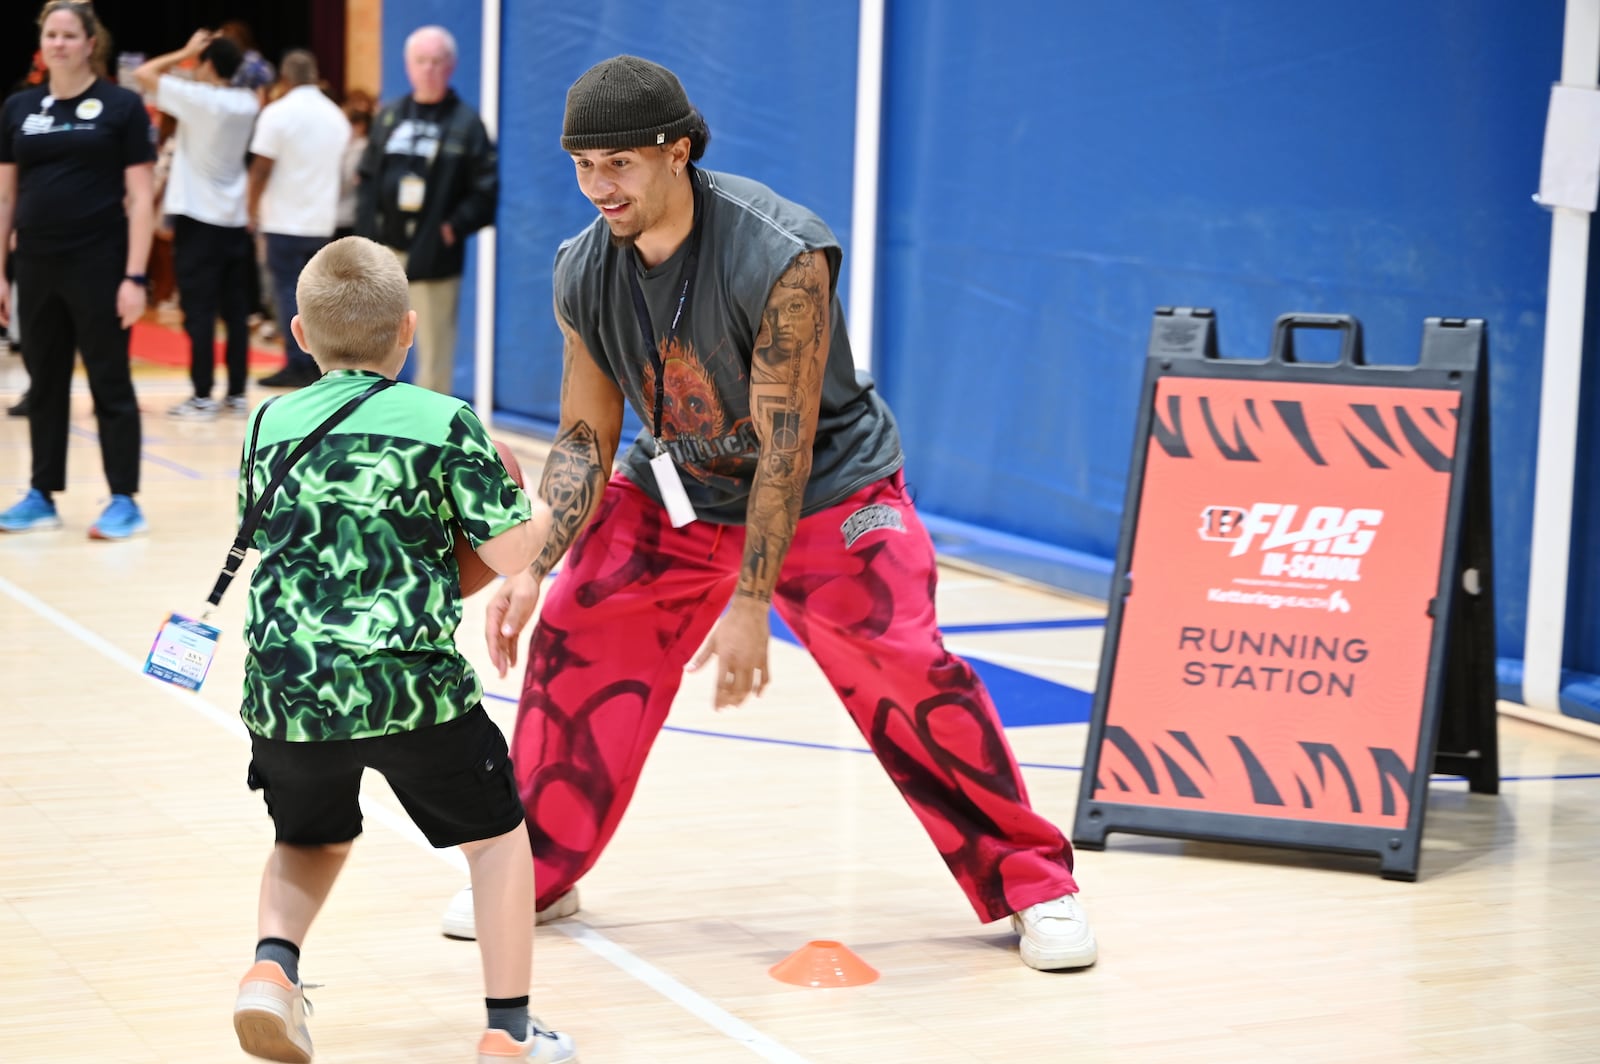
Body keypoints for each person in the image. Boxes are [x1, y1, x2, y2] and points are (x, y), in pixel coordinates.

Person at [440, 55, 1098, 973]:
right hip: (677, 489)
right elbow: (587, 436)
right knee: (578, 627)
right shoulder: (583, 271)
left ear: (678, 152)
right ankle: (540, 869)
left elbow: (784, 448)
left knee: (906, 664)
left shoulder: (780, 253)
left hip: (830, 489)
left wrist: (752, 602)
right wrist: (533, 561)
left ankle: (1037, 884)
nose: (599, 188)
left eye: (619, 164)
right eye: (583, 166)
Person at [231, 235, 575, 1064]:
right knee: (494, 842)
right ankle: (509, 1032)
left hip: (288, 687)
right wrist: (524, 492)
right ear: (407, 332)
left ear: (300, 334)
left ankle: (271, 974)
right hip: (409, 688)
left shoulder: (267, 423)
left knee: (308, 837)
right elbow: (510, 556)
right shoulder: (442, 421)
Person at [0, 1, 155, 539]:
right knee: (44, 383)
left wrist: (135, 277)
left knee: (110, 382)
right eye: (51, 34)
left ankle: (124, 500)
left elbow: (140, 198)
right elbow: (5, 196)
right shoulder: (19, 108)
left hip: (100, 265)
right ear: (40, 43)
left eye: (69, 35)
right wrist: (1, 270)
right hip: (36, 265)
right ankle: (41, 494)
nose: (59, 43)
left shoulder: (121, 106)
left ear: (91, 43)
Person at [356, 26, 497, 397]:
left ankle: (430, 438)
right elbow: (367, 178)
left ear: (451, 66)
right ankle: (376, 420)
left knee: (433, 351)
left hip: (434, 257)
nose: (429, 69)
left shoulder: (466, 125)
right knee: (374, 346)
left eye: (437, 61)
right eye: (421, 61)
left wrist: (451, 229)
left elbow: (485, 192)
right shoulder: (390, 117)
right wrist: (365, 236)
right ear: (408, 66)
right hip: (385, 251)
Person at [132, 29, 260, 419]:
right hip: (234, 221)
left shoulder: (199, 99)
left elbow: (145, 73)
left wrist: (183, 49)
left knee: (199, 312)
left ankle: (202, 396)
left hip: (198, 222)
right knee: (236, 313)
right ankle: (237, 394)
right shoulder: (248, 102)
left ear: (207, 63)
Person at [248, 50, 348, 390]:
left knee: (287, 292)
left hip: (283, 220)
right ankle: (320, 362)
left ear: (285, 79)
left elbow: (261, 168)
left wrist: (250, 208)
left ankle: (297, 362)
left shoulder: (277, 114)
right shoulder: (337, 116)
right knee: (318, 295)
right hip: (321, 221)